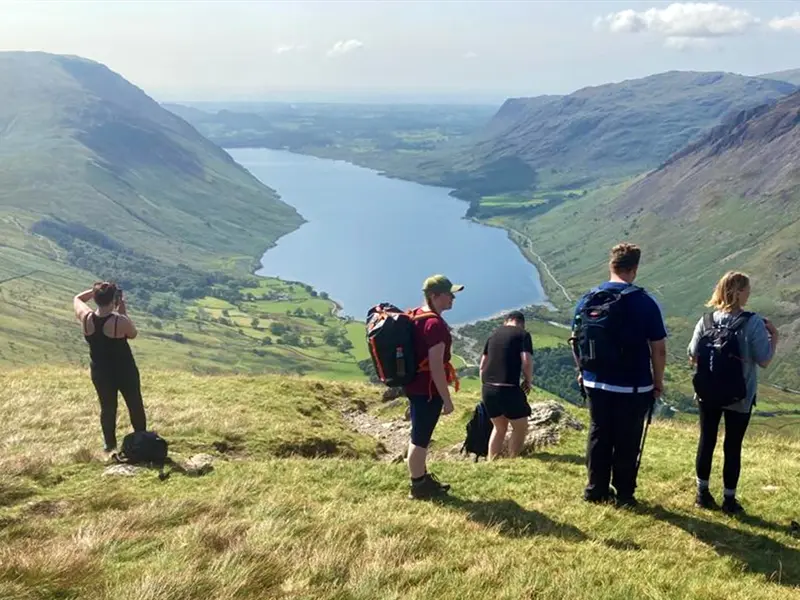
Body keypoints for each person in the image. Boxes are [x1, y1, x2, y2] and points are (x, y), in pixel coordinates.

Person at [572, 243, 667, 507]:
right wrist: (657, 382)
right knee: (627, 437)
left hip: (594, 380)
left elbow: (575, 339)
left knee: (599, 432)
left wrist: (582, 372)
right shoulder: (644, 302)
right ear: (634, 270)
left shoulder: (589, 298)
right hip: (632, 385)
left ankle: (595, 489)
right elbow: (658, 349)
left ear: (610, 265)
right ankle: (624, 494)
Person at [687, 271, 778, 514]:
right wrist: (775, 337)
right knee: (732, 445)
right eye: (747, 289)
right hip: (740, 394)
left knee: (707, 440)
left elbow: (692, 354)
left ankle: (702, 493)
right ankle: (729, 500)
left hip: (707, 394)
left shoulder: (706, 321)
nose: (749, 294)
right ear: (738, 292)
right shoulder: (753, 322)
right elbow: (765, 360)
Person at [404, 274, 463, 499]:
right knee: (420, 438)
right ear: (435, 296)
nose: (453, 299)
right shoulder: (435, 324)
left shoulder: (417, 316)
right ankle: (418, 486)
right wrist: (446, 399)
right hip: (427, 390)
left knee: (419, 434)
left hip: (414, 386)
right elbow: (437, 366)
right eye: (449, 294)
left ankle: (421, 478)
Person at [73, 282, 147, 453]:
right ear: (114, 299)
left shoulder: (86, 318)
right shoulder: (118, 321)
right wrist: (122, 309)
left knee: (107, 408)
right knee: (134, 403)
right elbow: (132, 334)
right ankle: (141, 439)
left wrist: (95, 292)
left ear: (97, 298)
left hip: (100, 372)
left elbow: (77, 298)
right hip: (124, 370)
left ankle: (109, 445)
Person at [479, 310, 533, 460]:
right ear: (522, 323)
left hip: (488, 389)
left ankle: (492, 460)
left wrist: (484, 385)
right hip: (508, 388)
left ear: (506, 321)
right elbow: (526, 361)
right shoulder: (523, 335)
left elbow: (482, 365)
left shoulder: (493, 334)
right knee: (520, 427)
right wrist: (528, 380)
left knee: (499, 427)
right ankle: (512, 459)